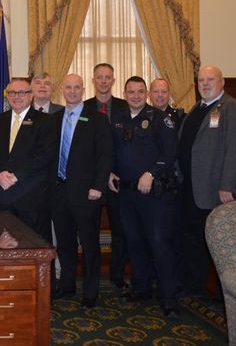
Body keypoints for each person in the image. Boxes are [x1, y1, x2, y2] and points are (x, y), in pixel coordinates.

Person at [178, 65, 236, 298]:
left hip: (218, 192)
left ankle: (228, 296)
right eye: (201, 80)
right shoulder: (198, 108)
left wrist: (228, 185)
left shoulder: (233, 108)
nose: (205, 84)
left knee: (222, 245)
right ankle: (197, 288)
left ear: (222, 82)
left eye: (210, 79)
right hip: (193, 190)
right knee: (194, 240)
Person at [108, 77, 181, 318]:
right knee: (134, 242)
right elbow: (112, 150)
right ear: (125, 93)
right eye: (131, 92)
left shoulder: (160, 119)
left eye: (140, 91)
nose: (136, 95)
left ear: (146, 94)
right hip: (126, 193)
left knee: (159, 244)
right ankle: (141, 288)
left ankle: (169, 298)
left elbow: (170, 153)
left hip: (154, 194)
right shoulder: (117, 118)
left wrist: (151, 173)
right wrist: (109, 171)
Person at [51, 74, 112, 308]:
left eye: (77, 88)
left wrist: (98, 187)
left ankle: (90, 292)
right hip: (59, 192)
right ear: (63, 90)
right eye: (68, 87)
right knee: (65, 243)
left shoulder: (97, 119)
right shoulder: (54, 119)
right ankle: (67, 285)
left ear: (83, 89)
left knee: (89, 245)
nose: (73, 91)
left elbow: (105, 156)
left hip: (87, 193)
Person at [0, 78, 54, 242]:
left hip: (32, 199)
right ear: (7, 96)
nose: (16, 96)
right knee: (7, 253)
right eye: (11, 93)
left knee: (36, 251)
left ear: (31, 96)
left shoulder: (45, 121)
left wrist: (16, 176)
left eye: (22, 92)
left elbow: (45, 155)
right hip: (4, 196)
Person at [83, 63, 129, 289]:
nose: (103, 81)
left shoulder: (126, 106)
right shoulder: (83, 108)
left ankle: (117, 275)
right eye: (99, 77)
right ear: (93, 80)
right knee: (89, 231)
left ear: (113, 80)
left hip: (118, 180)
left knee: (120, 229)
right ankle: (91, 277)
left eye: (107, 77)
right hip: (92, 181)